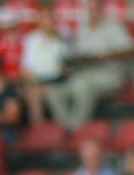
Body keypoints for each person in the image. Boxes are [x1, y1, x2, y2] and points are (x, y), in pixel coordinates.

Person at [45, 0, 134, 131]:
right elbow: (79, 54)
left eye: (95, 9)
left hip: (112, 74)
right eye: (90, 9)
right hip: (85, 73)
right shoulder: (82, 29)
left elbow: (129, 50)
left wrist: (103, 56)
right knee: (53, 92)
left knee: (82, 86)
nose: (93, 12)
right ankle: (67, 127)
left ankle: (75, 130)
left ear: (101, 10)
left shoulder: (113, 26)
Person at [19, 7, 67, 126]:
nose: (48, 21)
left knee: (35, 94)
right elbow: (25, 68)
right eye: (44, 18)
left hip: (57, 81)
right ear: (39, 20)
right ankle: (39, 131)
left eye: (50, 17)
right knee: (32, 93)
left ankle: (55, 129)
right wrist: (33, 81)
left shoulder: (63, 37)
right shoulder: (31, 39)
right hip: (36, 82)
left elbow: (65, 66)